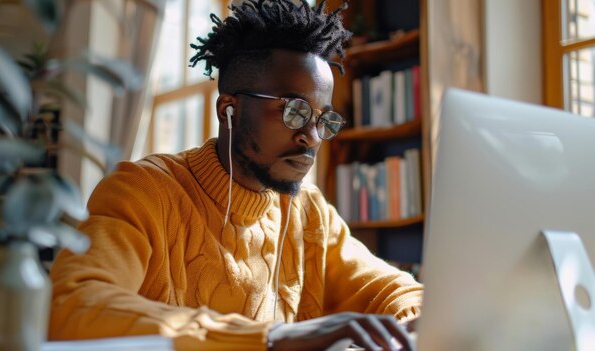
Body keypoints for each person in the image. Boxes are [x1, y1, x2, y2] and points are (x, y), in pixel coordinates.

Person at [48, 1, 423, 350]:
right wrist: (274, 337)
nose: (311, 135)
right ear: (228, 108)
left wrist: (419, 326)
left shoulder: (309, 213)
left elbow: (395, 291)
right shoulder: (142, 191)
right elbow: (70, 306)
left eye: (324, 120)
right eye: (294, 110)